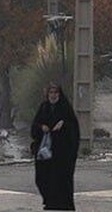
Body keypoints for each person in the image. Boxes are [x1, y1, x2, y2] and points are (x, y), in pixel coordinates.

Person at [30, 82, 81, 211]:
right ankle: (50, 201)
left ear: (59, 94)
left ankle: (64, 204)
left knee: (62, 178)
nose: (53, 95)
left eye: (55, 93)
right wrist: (42, 127)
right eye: (51, 93)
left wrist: (63, 125)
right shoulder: (44, 107)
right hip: (46, 152)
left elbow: (74, 128)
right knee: (42, 178)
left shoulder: (65, 108)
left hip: (62, 153)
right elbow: (34, 127)